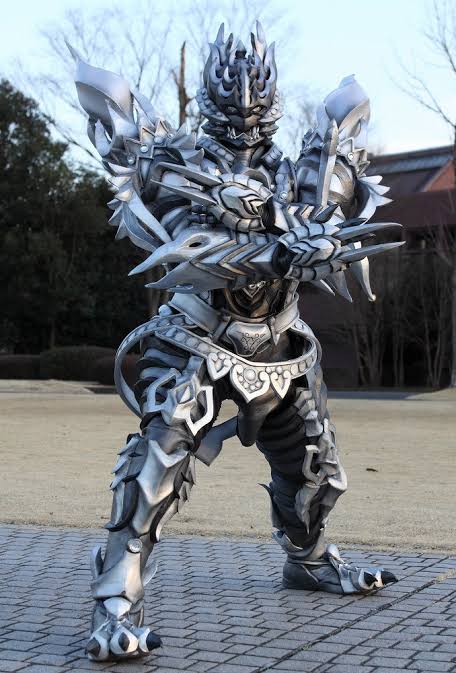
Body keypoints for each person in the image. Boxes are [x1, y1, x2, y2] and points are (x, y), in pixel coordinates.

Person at [70, 22, 401, 661]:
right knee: (157, 464)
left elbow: (336, 217)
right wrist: (284, 250)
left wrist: (324, 231)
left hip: (283, 344)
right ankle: (116, 602)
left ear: (271, 105)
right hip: (195, 339)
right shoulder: (176, 164)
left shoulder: (298, 173)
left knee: (316, 474)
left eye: (257, 110)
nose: (247, 123)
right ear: (213, 103)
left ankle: (308, 558)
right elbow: (184, 250)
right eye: (234, 110)